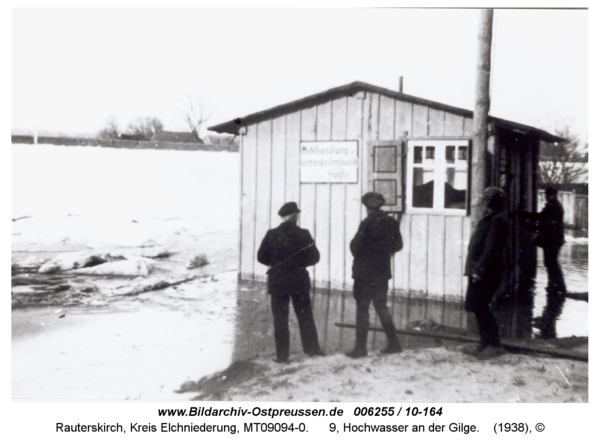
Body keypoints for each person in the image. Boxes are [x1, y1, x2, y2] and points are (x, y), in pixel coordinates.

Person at [257, 202, 325, 363]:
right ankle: (312, 349)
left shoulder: (271, 234)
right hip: (298, 280)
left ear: (283, 217)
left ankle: (282, 356)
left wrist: (276, 262)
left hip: (277, 281)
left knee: (280, 319)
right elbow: (315, 257)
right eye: (297, 215)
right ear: (294, 215)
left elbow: (261, 257)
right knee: (305, 316)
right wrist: (300, 264)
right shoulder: (304, 233)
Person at [345, 192, 403, 358]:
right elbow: (398, 245)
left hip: (364, 273)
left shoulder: (367, 223)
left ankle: (360, 348)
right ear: (380, 205)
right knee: (381, 307)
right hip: (382, 272)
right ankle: (394, 343)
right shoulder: (391, 222)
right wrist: (383, 251)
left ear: (366, 207)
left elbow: (355, 248)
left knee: (362, 309)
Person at [463, 187, 509, 360]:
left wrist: (479, 271)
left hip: (486, 272)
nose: (482, 203)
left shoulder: (497, 221)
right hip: (479, 271)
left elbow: (492, 250)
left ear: (491, 202)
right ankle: (485, 344)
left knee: (481, 306)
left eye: (485, 200)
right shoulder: (490, 219)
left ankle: (494, 345)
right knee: (477, 306)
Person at [523, 186, 566, 339]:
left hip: (552, 240)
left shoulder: (553, 206)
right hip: (554, 240)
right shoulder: (555, 206)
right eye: (549, 195)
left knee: (551, 264)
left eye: (550, 195)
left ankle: (557, 286)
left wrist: (527, 218)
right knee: (552, 264)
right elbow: (543, 219)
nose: (549, 197)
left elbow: (542, 219)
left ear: (552, 195)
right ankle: (556, 287)